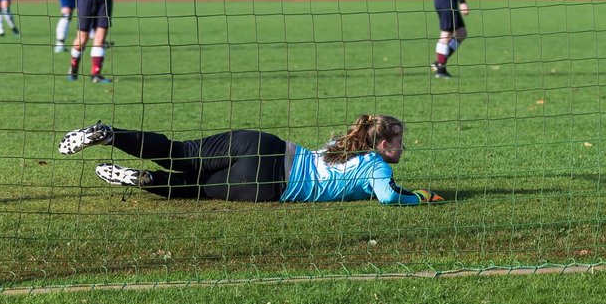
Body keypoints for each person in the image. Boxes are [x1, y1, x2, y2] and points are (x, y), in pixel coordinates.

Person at [58, 114, 446, 205]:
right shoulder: (377, 168)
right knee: (194, 189)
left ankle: (110, 135)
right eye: (398, 144)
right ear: (381, 146)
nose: (402, 149)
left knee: (180, 152)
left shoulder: (339, 145)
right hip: (268, 184)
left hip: (263, 144)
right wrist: (422, 197)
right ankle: (143, 180)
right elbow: (391, 198)